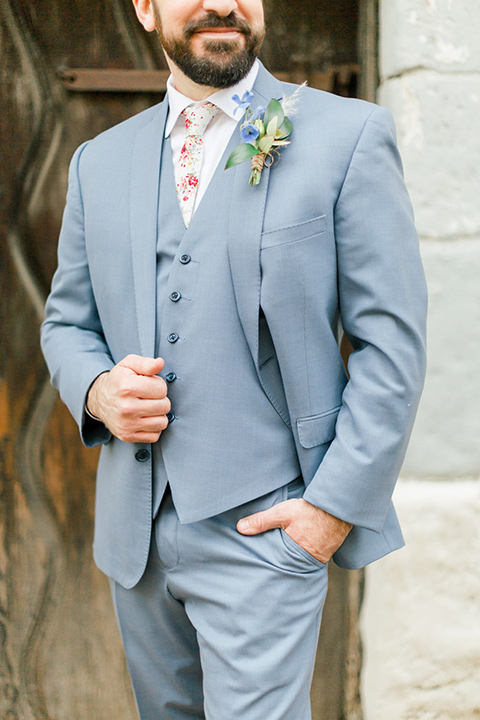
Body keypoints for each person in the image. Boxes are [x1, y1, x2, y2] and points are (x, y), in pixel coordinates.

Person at [41, 0, 427, 718]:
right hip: (138, 542)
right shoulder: (99, 162)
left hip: (271, 532)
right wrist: (98, 391)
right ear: (146, 9)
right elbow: (66, 323)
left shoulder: (348, 137)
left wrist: (329, 512)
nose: (223, 2)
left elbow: (393, 345)